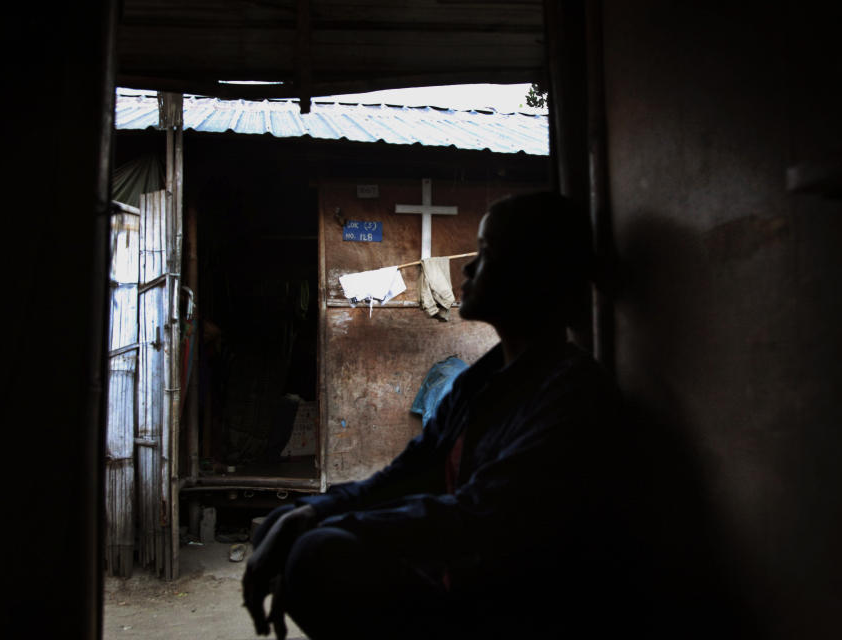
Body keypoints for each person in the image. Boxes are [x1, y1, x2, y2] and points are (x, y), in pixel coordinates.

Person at [242, 191, 637, 639]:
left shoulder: (571, 394)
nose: (467, 269)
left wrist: (326, 523)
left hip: (515, 611)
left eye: (486, 254)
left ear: (536, 274)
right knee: (282, 525)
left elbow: (479, 517)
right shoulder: (477, 382)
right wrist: (310, 511)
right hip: (462, 582)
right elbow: (409, 473)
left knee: (315, 553)